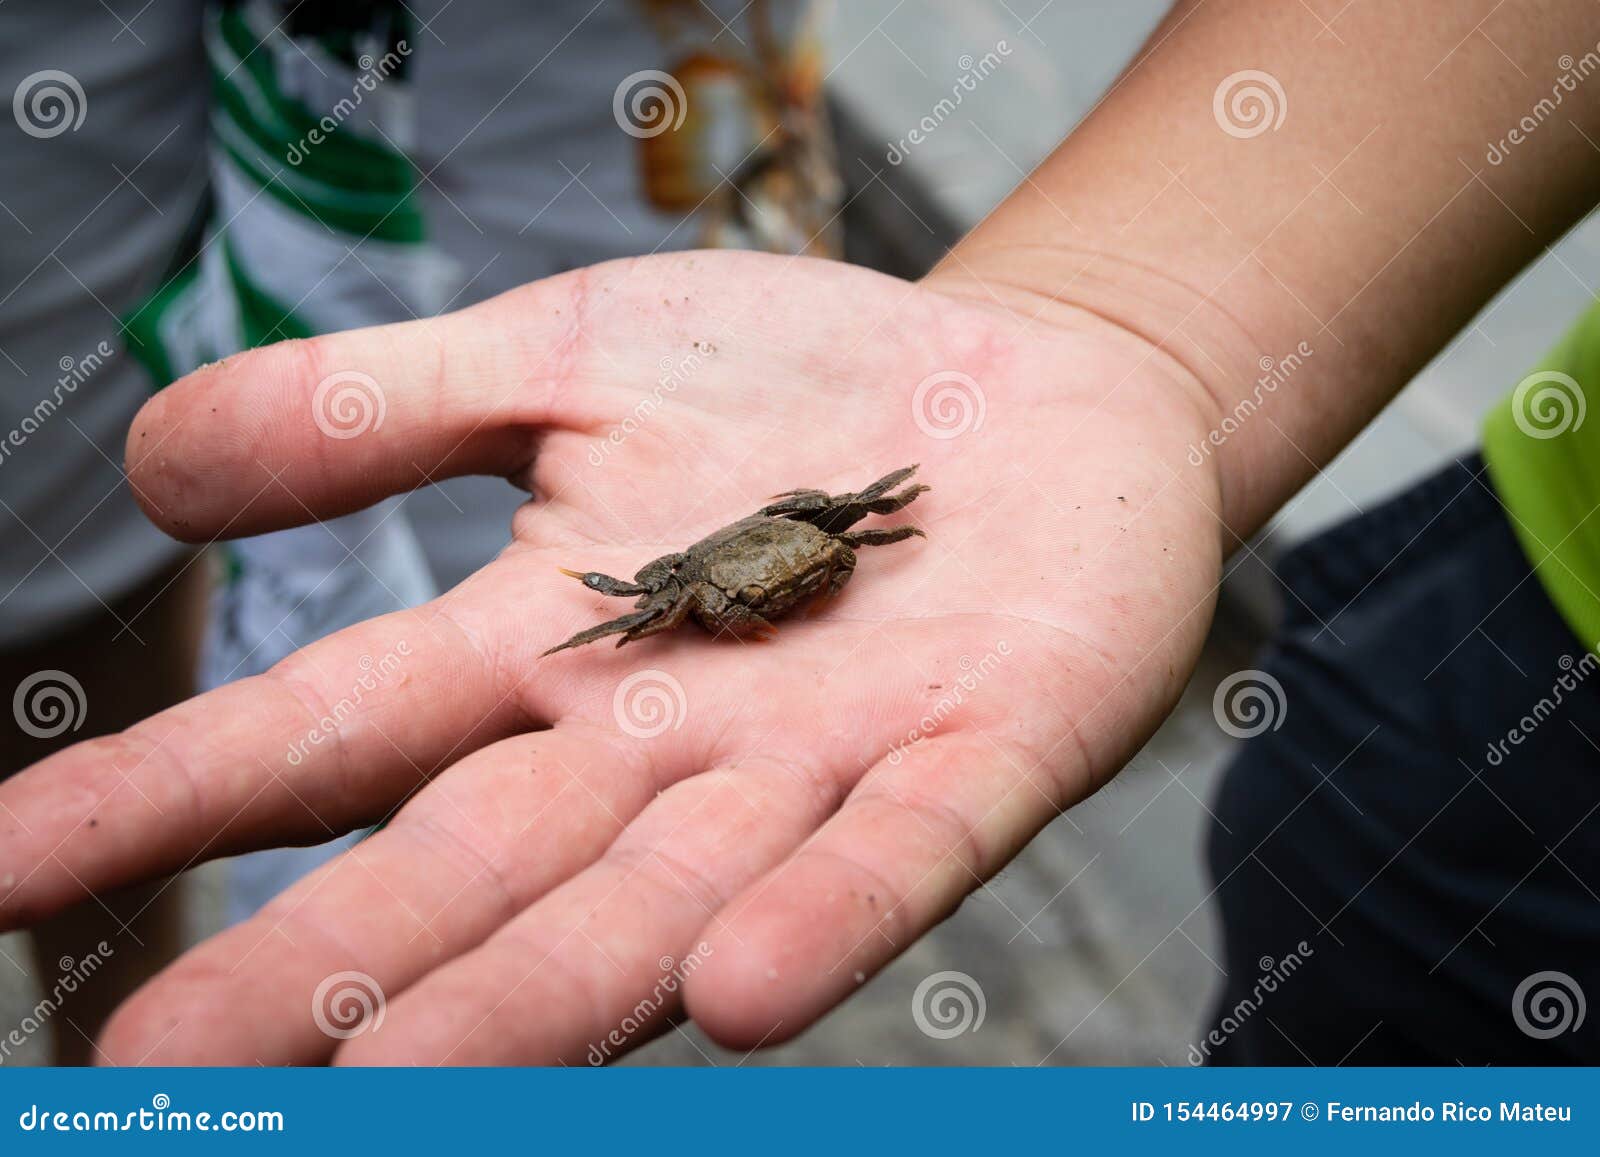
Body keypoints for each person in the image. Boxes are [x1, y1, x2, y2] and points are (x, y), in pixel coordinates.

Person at [2, 0, 1597, 1065]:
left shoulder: (795, 544)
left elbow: (823, 527)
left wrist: (1115, 338)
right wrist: (646, 604)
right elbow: (671, 591)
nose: (785, 592)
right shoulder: (695, 584)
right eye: (767, 587)